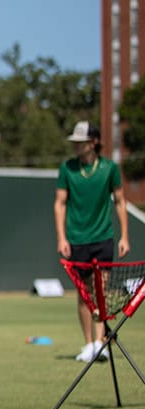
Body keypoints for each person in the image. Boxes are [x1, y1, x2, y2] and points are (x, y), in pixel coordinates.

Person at [54, 121, 131, 362]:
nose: (76, 146)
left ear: (93, 143)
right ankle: (88, 344)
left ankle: (100, 343)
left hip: (103, 238)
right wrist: (62, 237)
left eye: (81, 142)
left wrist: (125, 236)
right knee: (83, 294)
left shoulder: (109, 168)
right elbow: (60, 203)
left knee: (101, 292)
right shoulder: (67, 168)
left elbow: (119, 201)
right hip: (77, 239)